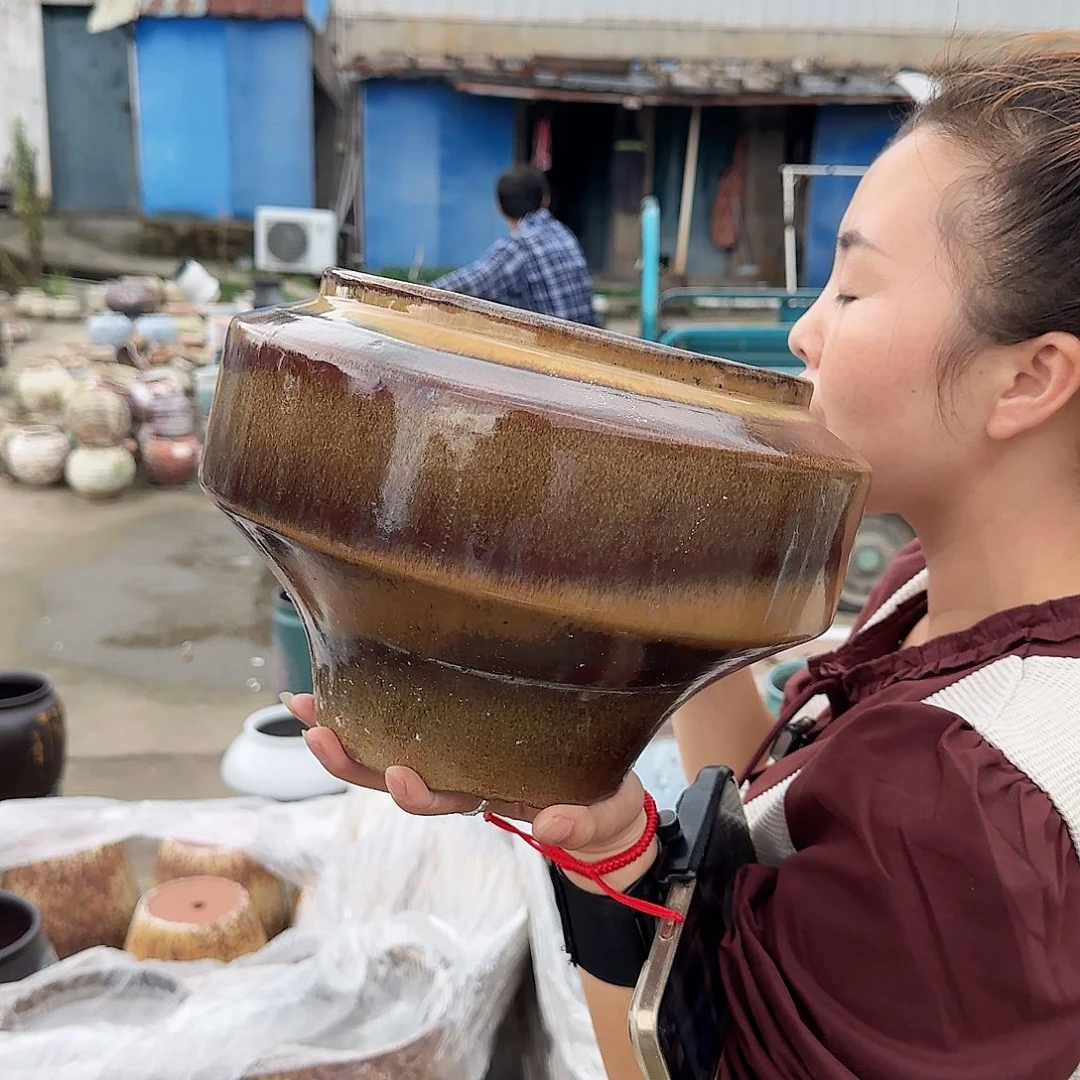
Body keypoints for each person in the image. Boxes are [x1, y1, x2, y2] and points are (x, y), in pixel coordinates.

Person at [286, 39, 1080, 1079]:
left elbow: (688, 1065)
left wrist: (601, 863)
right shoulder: (930, 589)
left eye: (852, 289)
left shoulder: (970, 805)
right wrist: (663, 632)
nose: (804, 332)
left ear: (1029, 379)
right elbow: (770, 808)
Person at [430, 164, 597, 326]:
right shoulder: (563, 233)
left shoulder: (517, 248)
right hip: (588, 345)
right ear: (545, 201)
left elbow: (458, 288)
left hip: (550, 348)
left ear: (500, 208)